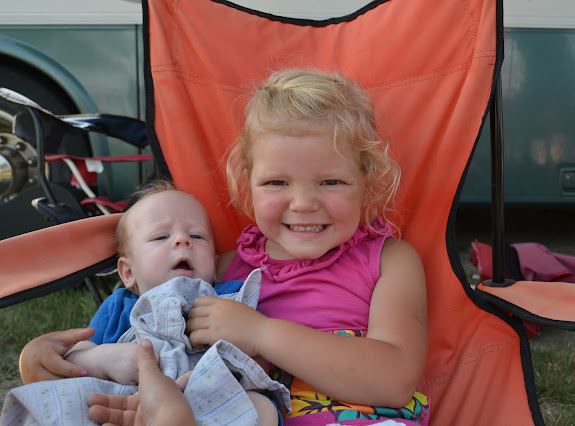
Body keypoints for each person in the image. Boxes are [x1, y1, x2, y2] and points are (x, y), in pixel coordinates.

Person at [19, 68, 429, 425]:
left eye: (331, 182)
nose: (304, 203)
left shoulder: (387, 261)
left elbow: (393, 381)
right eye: (277, 182)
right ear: (247, 183)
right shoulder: (222, 268)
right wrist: (40, 358)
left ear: (367, 183)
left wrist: (260, 333)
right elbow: (142, 331)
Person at [15, 181, 282, 426]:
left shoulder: (229, 296)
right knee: (68, 403)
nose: (182, 240)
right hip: (127, 406)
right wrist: (103, 358)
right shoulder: (120, 306)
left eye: (197, 236)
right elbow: (75, 359)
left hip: (212, 404)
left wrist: (217, 375)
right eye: (160, 237)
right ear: (128, 272)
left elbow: (260, 363)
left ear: (214, 262)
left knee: (263, 408)